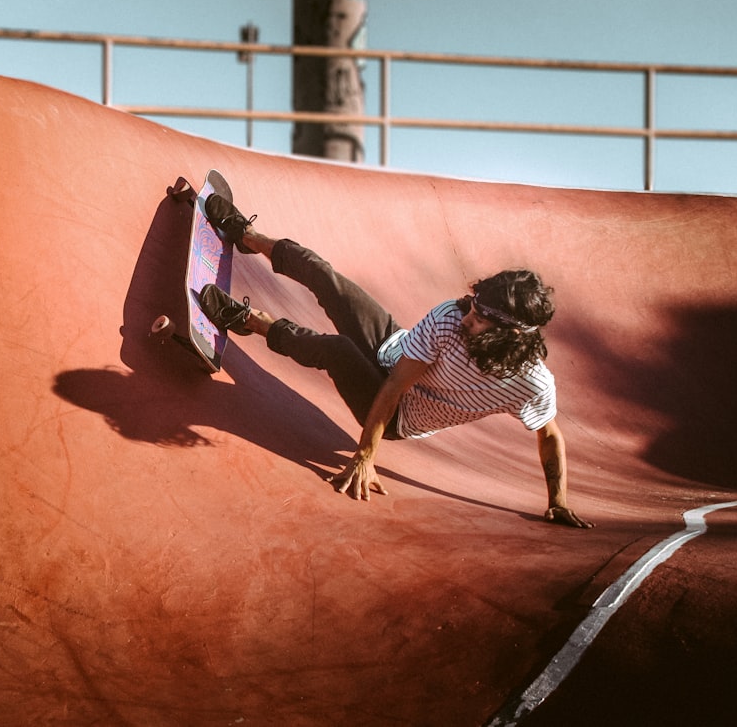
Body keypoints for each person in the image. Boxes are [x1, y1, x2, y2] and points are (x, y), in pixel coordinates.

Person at [197, 194, 593, 529]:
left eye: (481, 319)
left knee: (336, 350)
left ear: (512, 333)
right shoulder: (450, 317)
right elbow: (396, 378)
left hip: (399, 416)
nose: (468, 317)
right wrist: (364, 454)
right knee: (325, 277)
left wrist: (557, 500)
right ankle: (246, 236)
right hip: (393, 351)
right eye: (474, 305)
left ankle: (249, 321)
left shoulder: (530, 382)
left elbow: (549, 433)